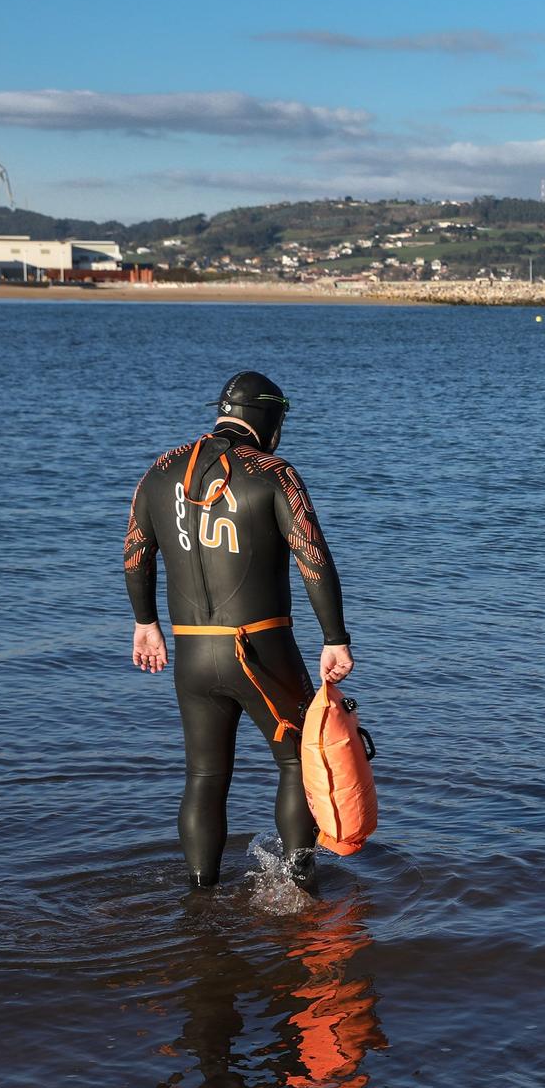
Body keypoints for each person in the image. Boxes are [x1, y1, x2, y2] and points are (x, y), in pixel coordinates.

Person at [125, 371, 355, 891]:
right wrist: (335, 636)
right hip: (258, 646)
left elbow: (136, 552)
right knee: (298, 763)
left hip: (190, 652)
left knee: (205, 777)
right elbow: (313, 558)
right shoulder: (275, 473)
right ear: (269, 419)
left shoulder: (160, 471)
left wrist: (145, 624)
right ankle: (298, 888)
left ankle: (201, 898)